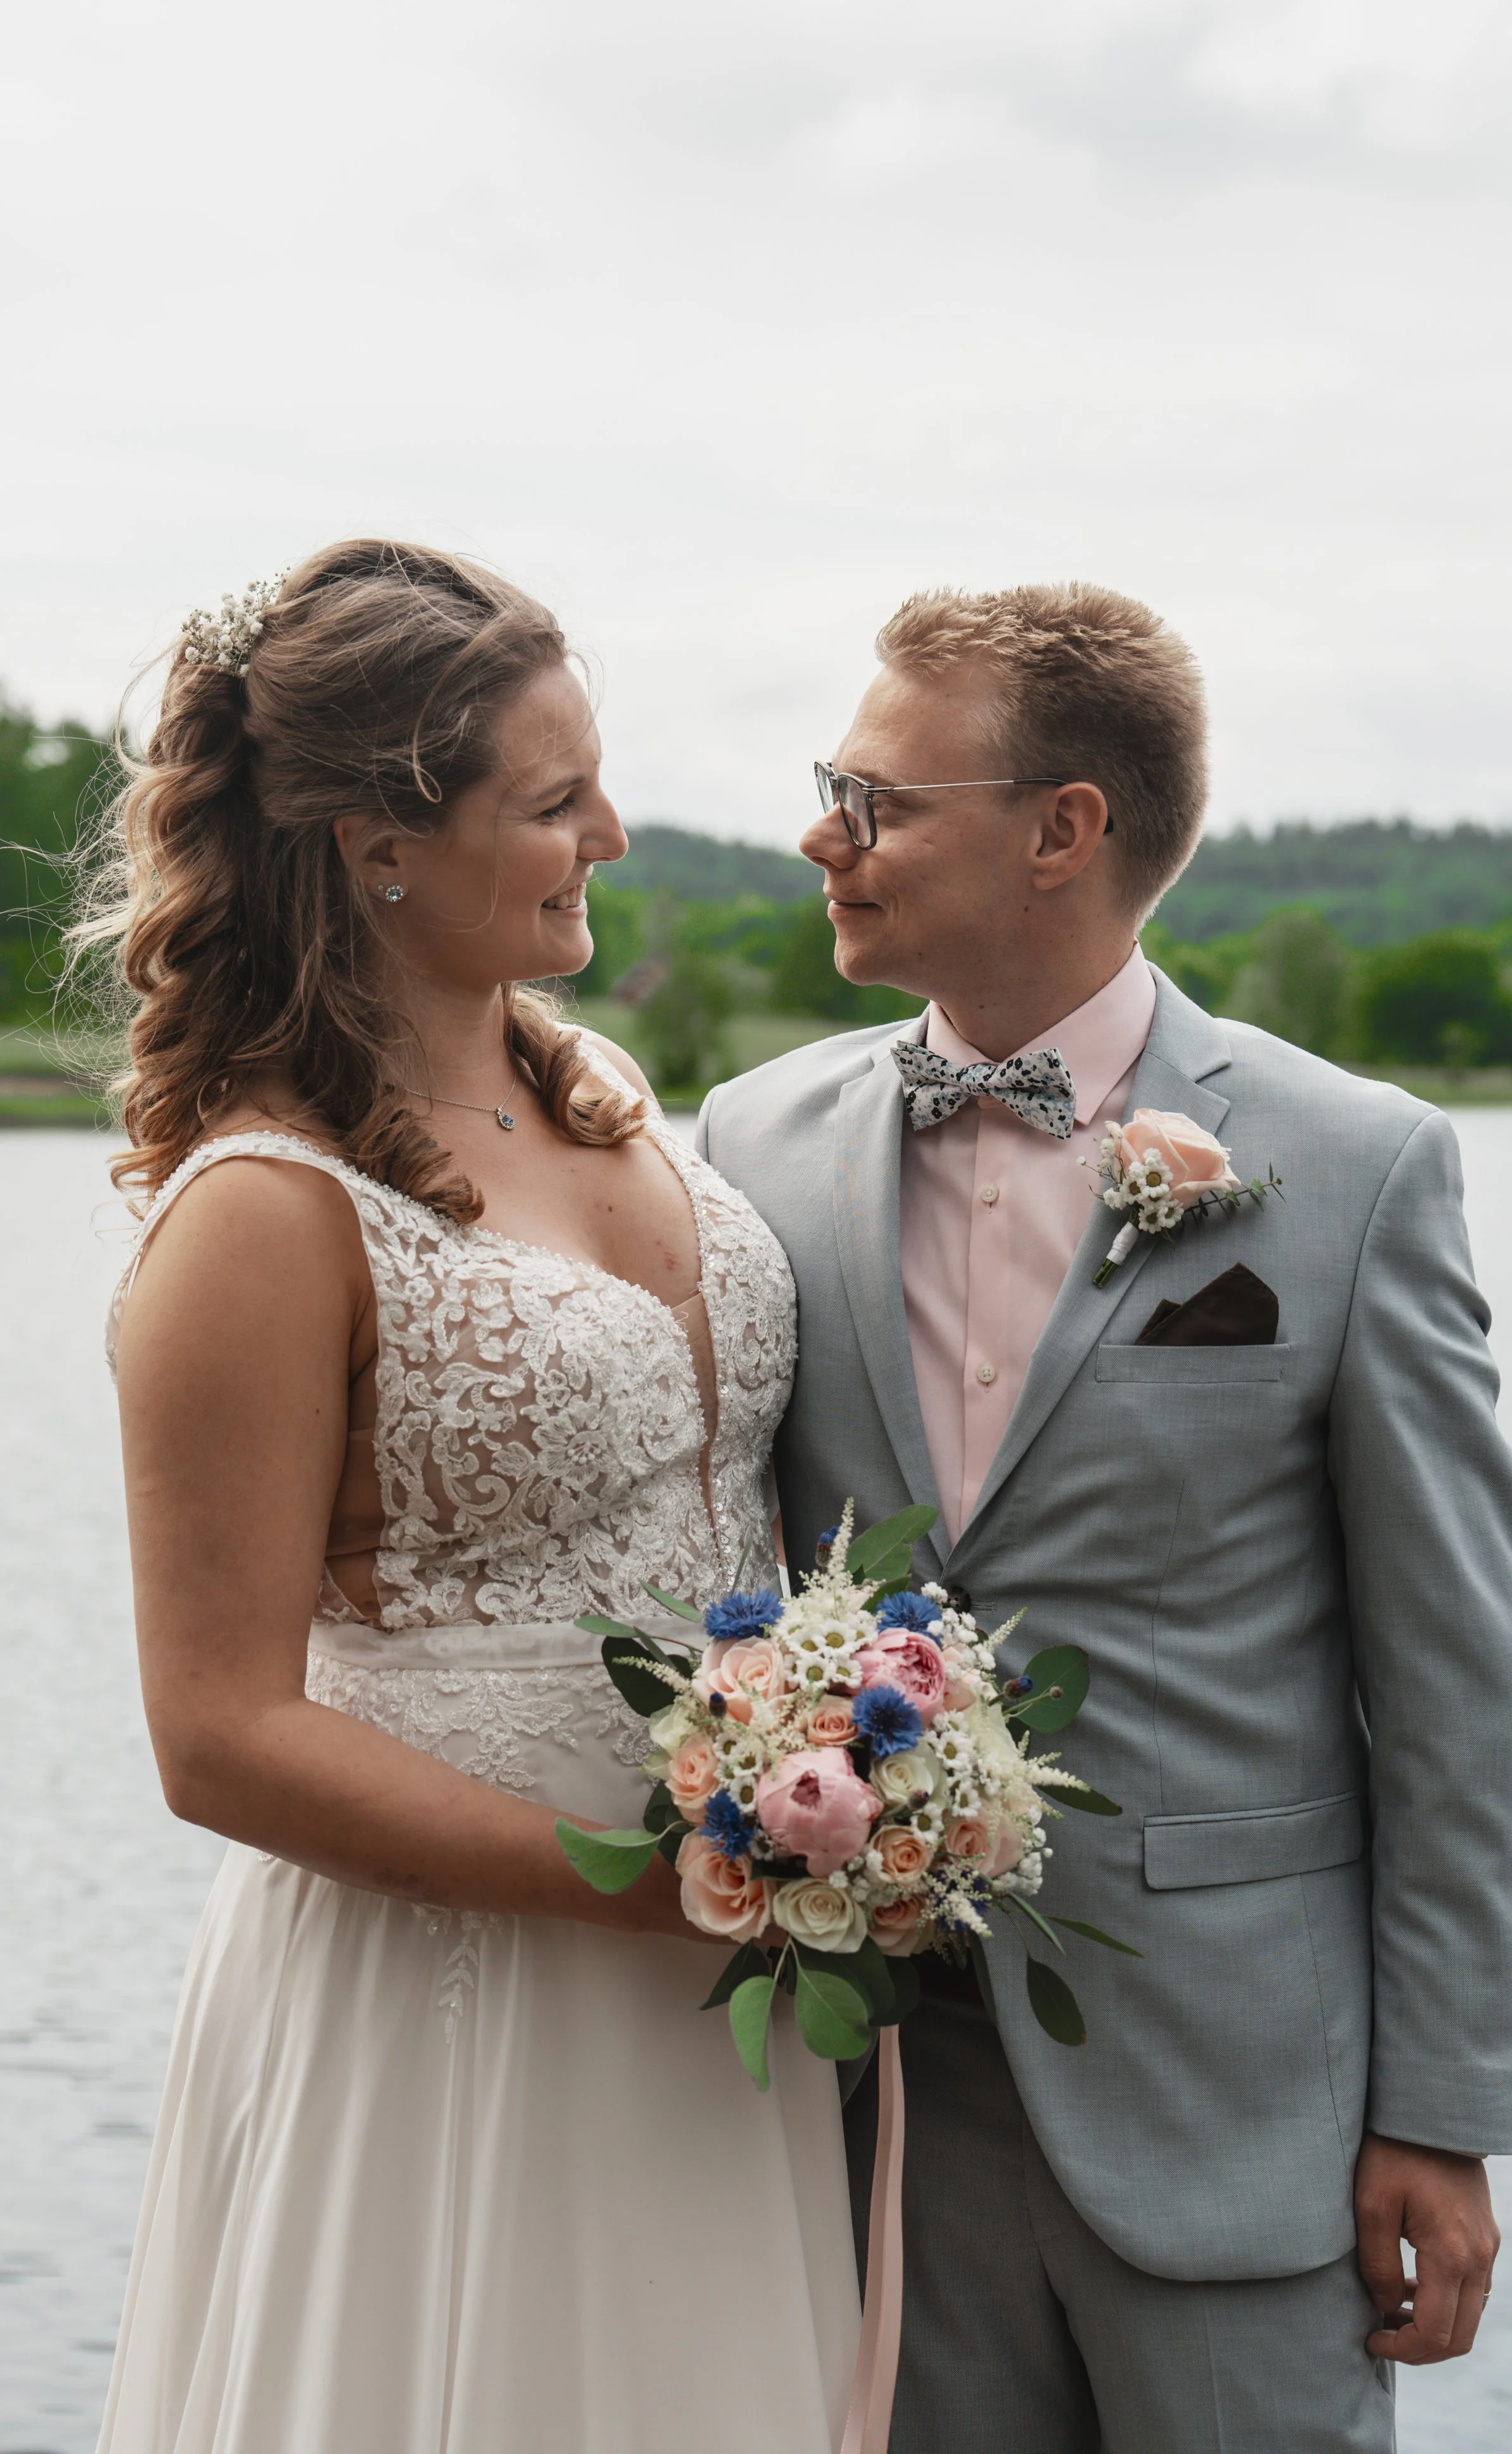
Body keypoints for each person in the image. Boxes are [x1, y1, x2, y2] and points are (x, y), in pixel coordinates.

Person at [696, 581, 1512, 2454]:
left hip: (1236, 2098)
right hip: (878, 2082)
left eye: (876, 796)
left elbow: (1458, 1690)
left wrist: (1443, 2110)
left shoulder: (1351, 1165)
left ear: (1061, 828)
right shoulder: (746, 1145)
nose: (821, 837)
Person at [85, 541, 859, 2454]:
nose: (610, 827)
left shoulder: (590, 1078)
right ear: (377, 847)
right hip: (463, 1998)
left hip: (726, 2001)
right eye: (551, 798)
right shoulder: (260, 1214)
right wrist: (644, 1891)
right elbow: (218, 1737)